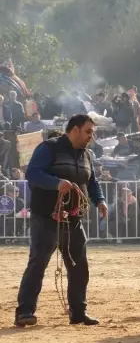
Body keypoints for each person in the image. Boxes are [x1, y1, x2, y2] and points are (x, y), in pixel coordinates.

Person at [15, 114, 108, 327]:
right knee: (38, 263)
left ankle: (78, 313)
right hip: (46, 217)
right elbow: (33, 173)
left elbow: (92, 182)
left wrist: (100, 200)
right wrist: (56, 183)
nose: (90, 137)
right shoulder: (49, 147)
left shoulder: (87, 155)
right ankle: (24, 311)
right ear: (74, 130)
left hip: (74, 219)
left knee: (79, 266)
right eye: (88, 132)